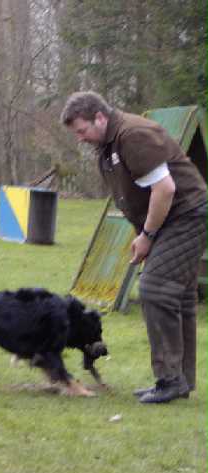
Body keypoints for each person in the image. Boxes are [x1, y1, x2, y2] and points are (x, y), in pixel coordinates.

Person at [61, 91, 207, 404]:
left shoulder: (133, 135)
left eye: (82, 130)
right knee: (178, 296)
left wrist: (148, 235)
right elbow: (133, 195)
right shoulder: (108, 144)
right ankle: (179, 381)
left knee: (155, 288)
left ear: (100, 118)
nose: (80, 138)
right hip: (171, 217)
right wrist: (143, 234)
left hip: (186, 213)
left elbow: (164, 189)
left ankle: (170, 379)